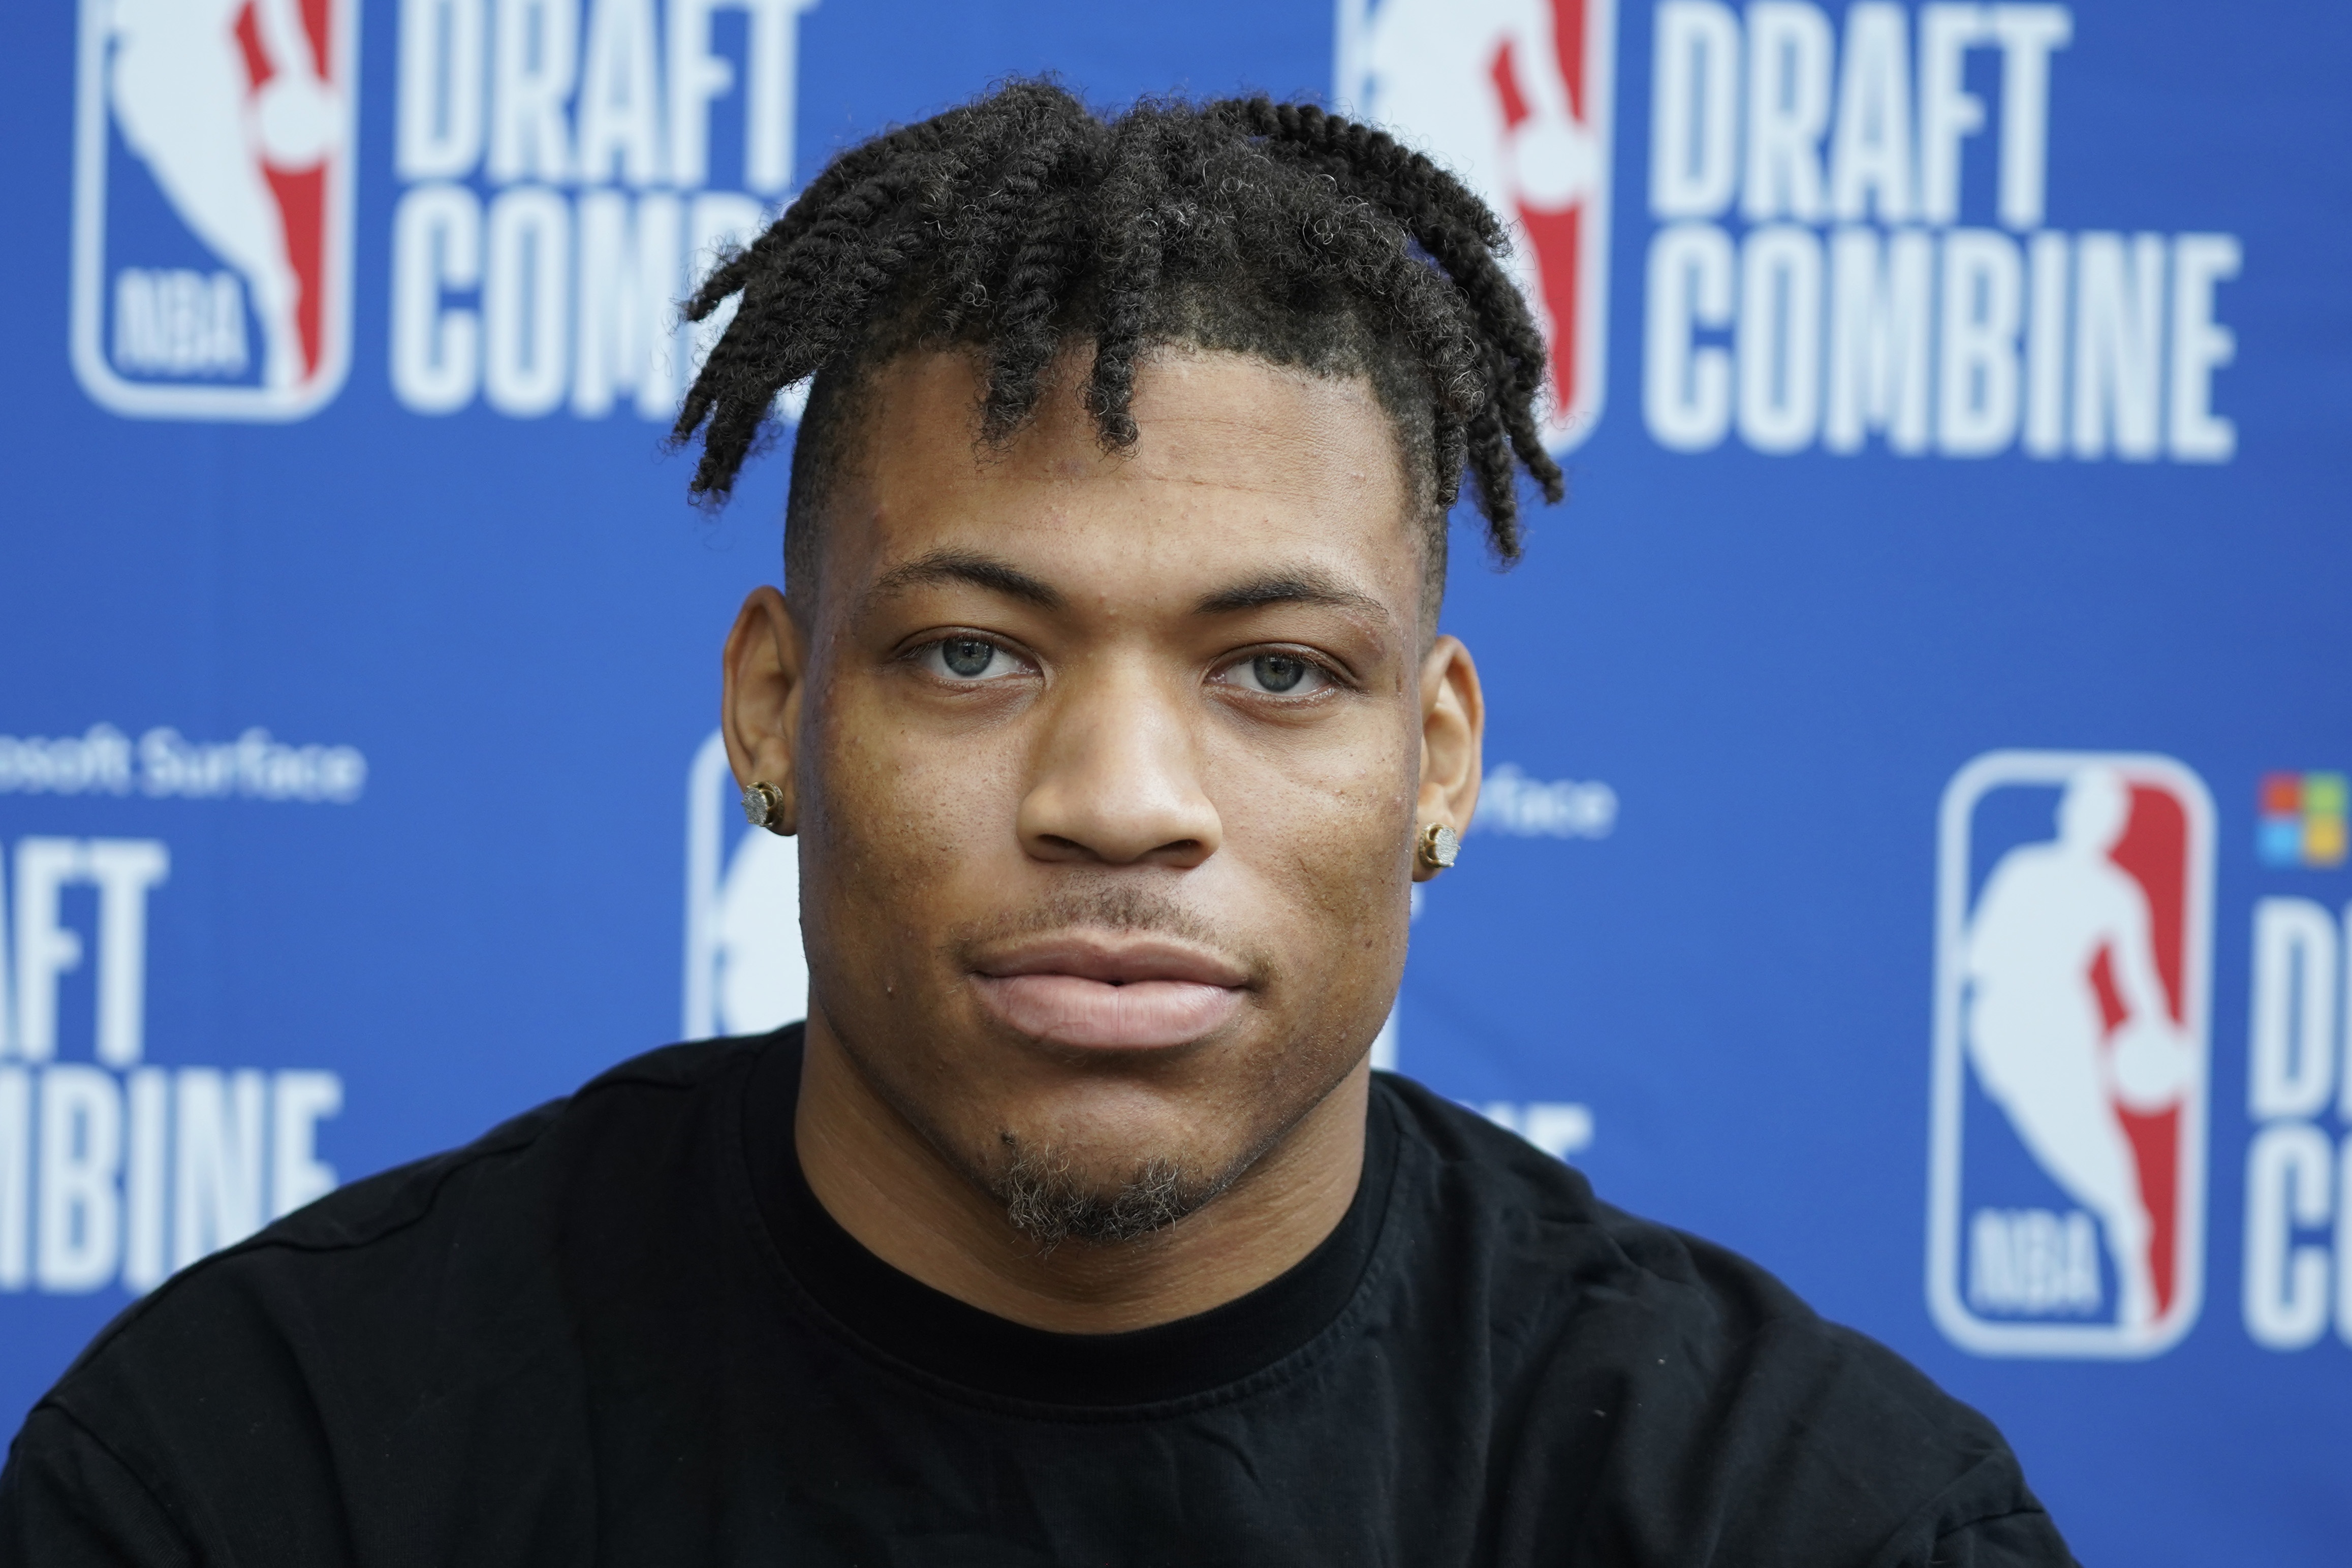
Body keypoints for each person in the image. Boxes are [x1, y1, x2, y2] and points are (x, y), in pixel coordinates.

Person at [2, 85, 2077, 1564]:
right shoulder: (272, 1466)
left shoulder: (1797, 1517)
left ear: (1437, 760)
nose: (1118, 800)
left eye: (1277, 670)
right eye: (974, 653)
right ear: (772, 710)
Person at [1964, 766, 2196, 1333]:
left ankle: (2136, 1261)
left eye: (2104, 814)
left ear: (2114, 826)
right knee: (2062, 1143)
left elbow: (2139, 981)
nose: (2089, 820)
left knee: (2100, 1153)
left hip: (2065, 1027)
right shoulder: (2024, 870)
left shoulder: (2118, 894)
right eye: (2082, 807)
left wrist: (2157, 1033)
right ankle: (2131, 1231)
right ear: (2066, 813)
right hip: (2000, 1023)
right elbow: (1972, 957)